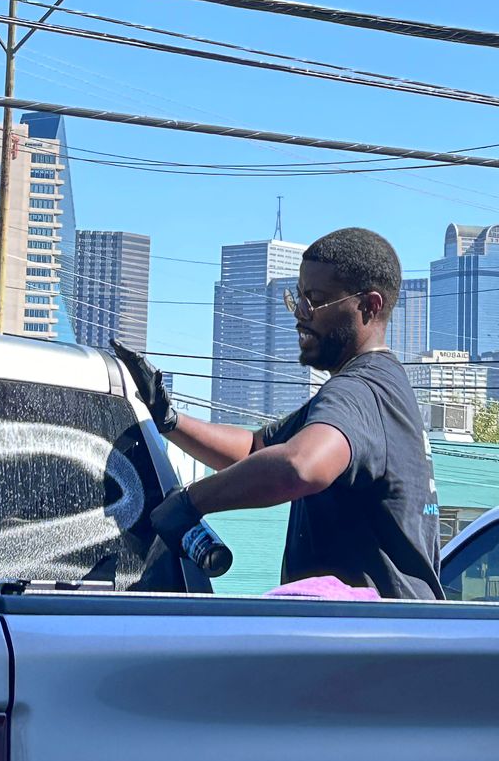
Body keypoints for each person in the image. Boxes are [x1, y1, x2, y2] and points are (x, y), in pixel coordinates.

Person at [115, 226, 443, 600]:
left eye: (315, 301)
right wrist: (170, 420)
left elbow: (300, 466)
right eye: (298, 298)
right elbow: (258, 448)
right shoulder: (376, 388)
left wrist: (192, 501)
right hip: (384, 641)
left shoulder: (359, 392)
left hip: (365, 645)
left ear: (369, 306)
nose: (300, 315)